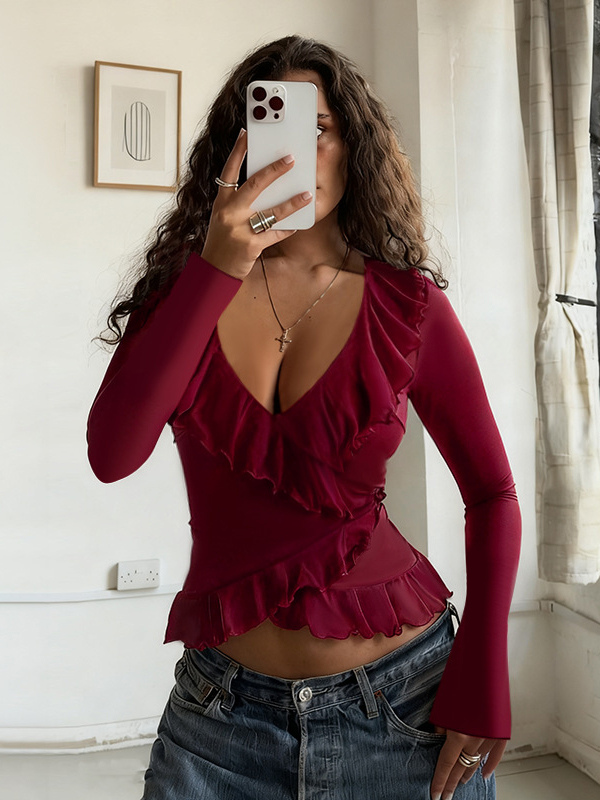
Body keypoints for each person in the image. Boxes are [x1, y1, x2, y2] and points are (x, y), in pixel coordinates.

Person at [87, 35, 521, 800]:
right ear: (235, 152)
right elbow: (112, 454)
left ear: (353, 147)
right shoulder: (185, 295)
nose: (294, 150)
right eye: (269, 126)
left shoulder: (408, 305)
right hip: (218, 722)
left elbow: (493, 493)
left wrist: (485, 677)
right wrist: (218, 266)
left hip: (403, 706)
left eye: (316, 127)